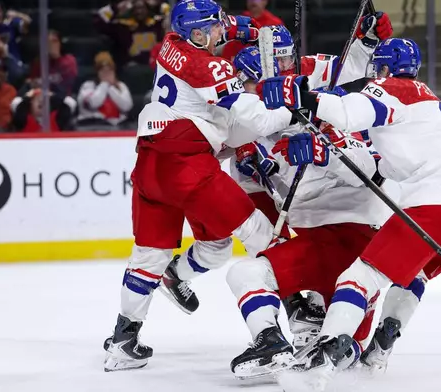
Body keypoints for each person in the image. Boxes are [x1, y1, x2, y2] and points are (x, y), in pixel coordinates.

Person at [261, 38, 441, 390]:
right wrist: (331, 151)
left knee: (358, 276)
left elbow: (345, 112)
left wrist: (301, 96)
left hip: (440, 201)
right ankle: (380, 346)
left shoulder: (392, 88)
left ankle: (323, 355)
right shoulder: (429, 104)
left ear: (382, 69)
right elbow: (385, 166)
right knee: (412, 273)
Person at [102, 0, 297, 373]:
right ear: (198, 33)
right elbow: (251, 113)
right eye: (214, 30)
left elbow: (223, 27)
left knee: (156, 255)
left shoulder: (172, 43)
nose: (221, 34)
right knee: (258, 232)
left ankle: (124, 340)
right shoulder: (208, 65)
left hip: (150, 164)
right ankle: (288, 320)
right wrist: (291, 107)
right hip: (186, 165)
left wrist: (250, 29)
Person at [222, 46, 387, 379]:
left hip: (355, 244)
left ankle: (325, 334)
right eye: (244, 87)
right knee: (244, 274)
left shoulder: (319, 112)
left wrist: (325, 150)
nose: (250, 94)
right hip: (316, 246)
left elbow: (371, 168)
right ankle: (272, 342)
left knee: (345, 343)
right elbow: (265, 220)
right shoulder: (248, 142)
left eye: (254, 85)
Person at [77, 52, 133, 126]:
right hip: (93, 126)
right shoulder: (87, 86)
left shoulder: (121, 86)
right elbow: (93, 103)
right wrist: (104, 85)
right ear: (97, 72)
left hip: (117, 127)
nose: (106, 74)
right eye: (103, 71)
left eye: (109, 70)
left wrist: (111, 88)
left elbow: (126, 107)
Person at [107, 0, 165, 66]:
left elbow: (169, 13)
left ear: (148, 9)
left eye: (142, 8)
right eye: (136, 8)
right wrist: (116, 8)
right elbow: (102, 21)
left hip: (155, 65)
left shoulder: (157, 25)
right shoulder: (124, 28)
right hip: (131, 68)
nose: (139, 11)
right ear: (132, 10)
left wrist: (158, 3)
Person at [28, 30, 78, 96]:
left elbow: (65, 84)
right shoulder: (39, 62)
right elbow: (32, 83)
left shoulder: (69, 60)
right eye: (48, 42)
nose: (52, 45)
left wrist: (41, 82)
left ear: (60, 43)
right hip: (41, 98)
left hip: (62, 98)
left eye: (55, 41)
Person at [10, 88, 77, 132]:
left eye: (45, 100)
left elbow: (71, 103)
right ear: (30, 103)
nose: (41, 101)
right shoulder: (23, 119)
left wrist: (52, 94)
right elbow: (14, 103)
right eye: (37, 99)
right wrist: (29, 95)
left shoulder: (57, 119)